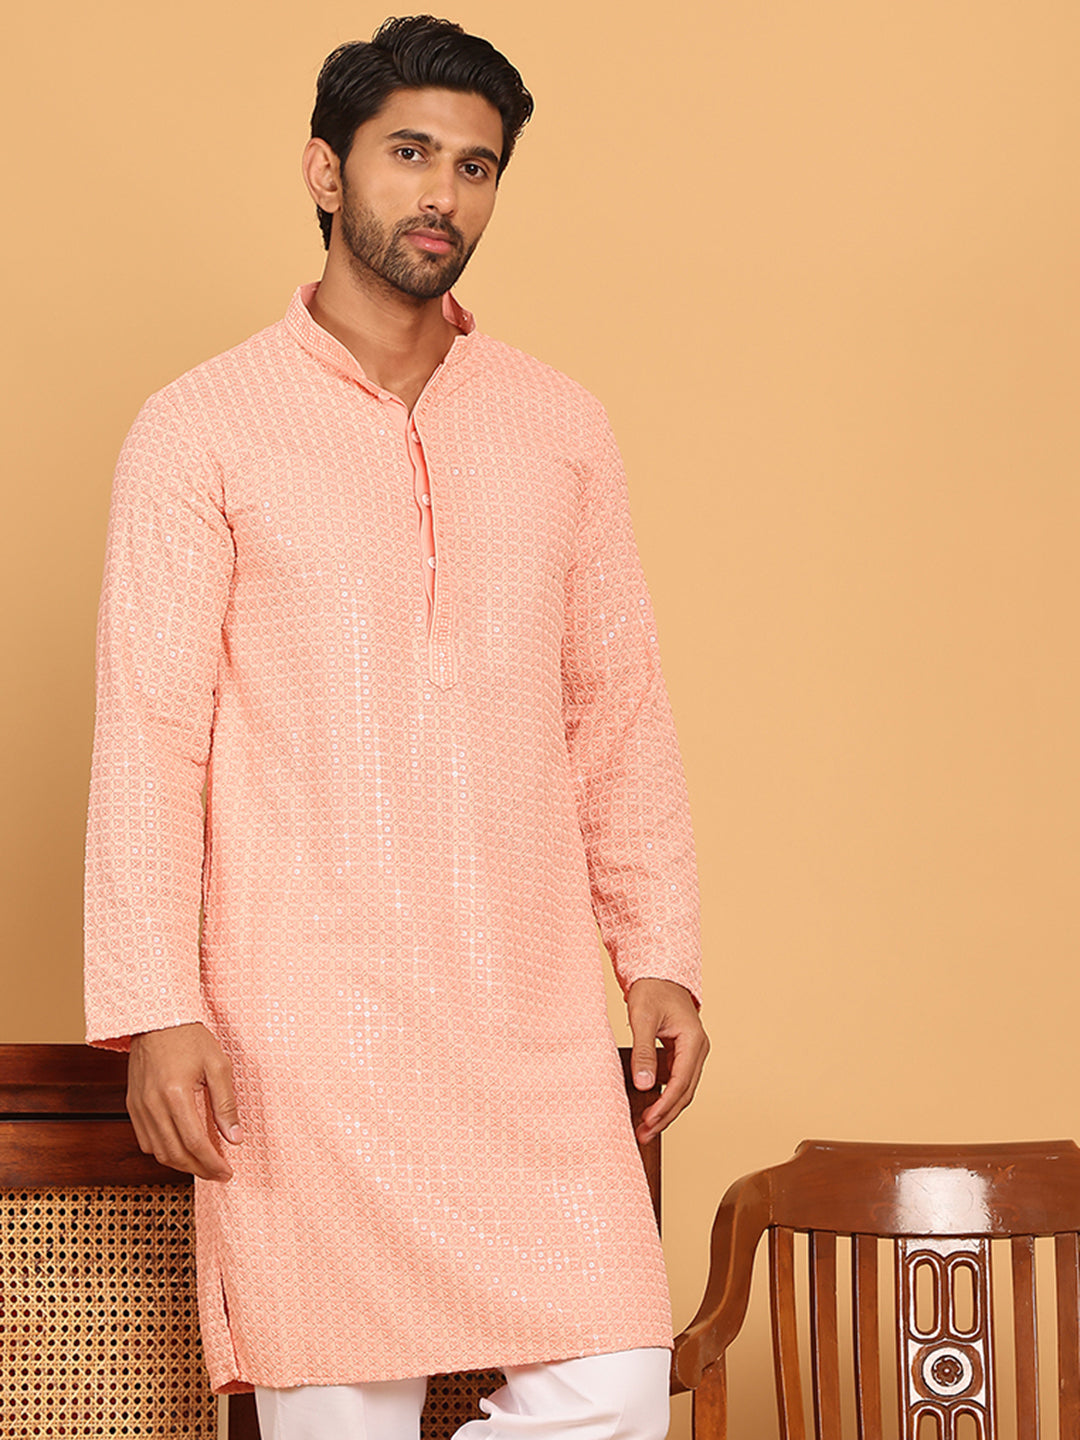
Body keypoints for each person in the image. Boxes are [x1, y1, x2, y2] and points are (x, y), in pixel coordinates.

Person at [83, 15, 708, 1440]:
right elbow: (151, 737)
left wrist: (658, 955)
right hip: (304, 1029)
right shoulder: (201, 428)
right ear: (327, 170)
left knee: (616, 1391)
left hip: (530, 1018)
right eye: (410, 153)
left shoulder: (559, 427)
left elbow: (614, 709)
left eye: (475, 167)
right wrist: (158, 1008)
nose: (443, 194)